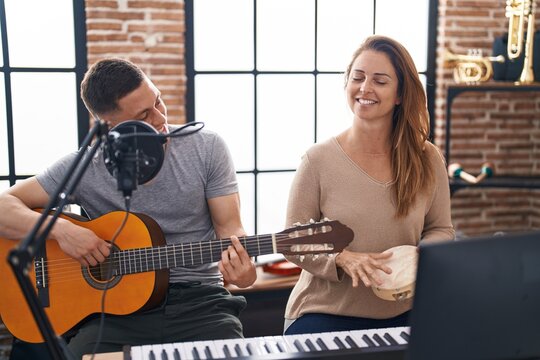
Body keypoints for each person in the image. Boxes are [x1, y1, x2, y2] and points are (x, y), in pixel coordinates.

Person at [0, 58, 256, 358]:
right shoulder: (85, 165)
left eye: (158, 101)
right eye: (144, 115)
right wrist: (62, 231)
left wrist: (244, 270)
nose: (161, 119)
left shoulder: (207, 147)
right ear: (108, 126)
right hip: (117, 313)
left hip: (201, 304)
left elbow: (231, 230)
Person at [283, 35, 455, 335]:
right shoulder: (317, 160)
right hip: (324, 312)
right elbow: (289, 240)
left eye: (380, 80)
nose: (365, 88)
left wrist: (419, 256)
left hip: (407, 311)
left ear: (400, 93)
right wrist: (342, 258)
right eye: (357, 78)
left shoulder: (427, 158)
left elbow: (441, 229)